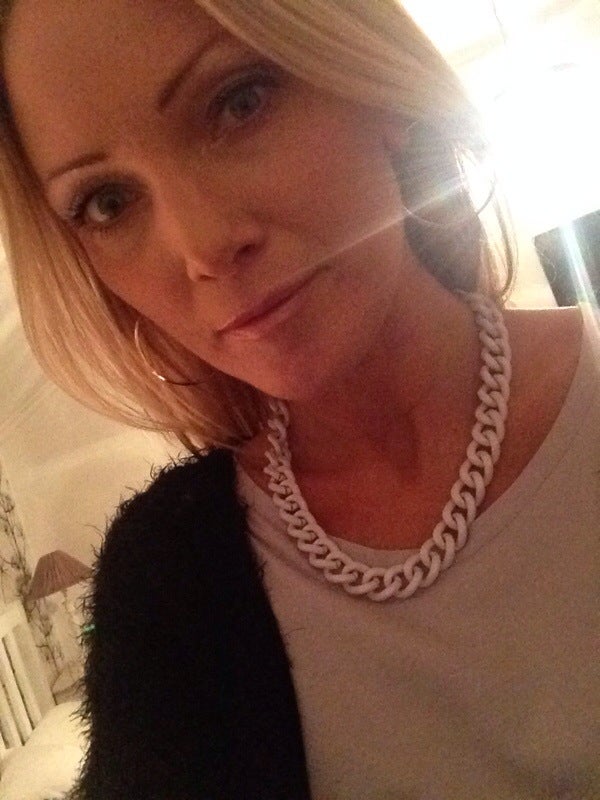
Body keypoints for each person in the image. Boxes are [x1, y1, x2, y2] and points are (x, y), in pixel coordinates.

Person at [0, 0, 598, 798]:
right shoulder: (169, 589)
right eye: (108, 202)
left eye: (238, 101)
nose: (203, 247)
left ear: (370, 82)